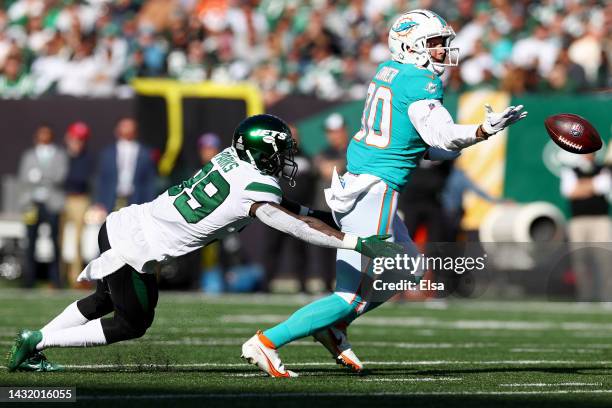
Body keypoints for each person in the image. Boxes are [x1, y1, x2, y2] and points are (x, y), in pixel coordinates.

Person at [243, 9, 527, 377]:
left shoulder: (387, 71)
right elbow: (440, 136)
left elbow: (419, 143)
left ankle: (335, 326)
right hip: (375, 191)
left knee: (409, 267)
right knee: (349, 294)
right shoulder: (421, 81)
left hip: (364, 183)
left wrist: (466, 140)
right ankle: (266, 342)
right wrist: (482, 131)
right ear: (411, 46)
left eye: (443, 42)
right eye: (435, 43)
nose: (442, 50)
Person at [6, 114, 401, 373]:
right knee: (132, 323)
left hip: (122, 223)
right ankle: (38, 340)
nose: (284, 160)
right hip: (137, 247)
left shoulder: (231, 158)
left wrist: (325, 216)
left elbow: (286, 208)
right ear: (262, 154)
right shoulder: (258, 186)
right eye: (279, 153)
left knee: (104, 301)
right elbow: (292, 225)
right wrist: (353, 242)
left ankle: (35, 344)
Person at [18, 126, 69, 288]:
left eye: (47, 133)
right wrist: (37, 179)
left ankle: (56, 280)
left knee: (55, 241)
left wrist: (40, 177)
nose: (44, 136)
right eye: (41, 133)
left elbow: (60, 175)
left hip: (52, 203)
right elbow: (23, 177)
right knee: (30, 241)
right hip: (32, 203)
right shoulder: (29, 155)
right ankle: (29, 280)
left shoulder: (59, 154)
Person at [560, 152, 611, 301]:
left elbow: (604, 187)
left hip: (600, 220)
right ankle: (585, 297)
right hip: (578, 222)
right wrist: (593, 184)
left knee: (605, 259)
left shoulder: (604, 169)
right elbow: (570, 191)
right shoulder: (570, 170)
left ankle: (607, 297)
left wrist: (582, 186)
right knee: (580, 260)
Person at [94, 117, 157, 215]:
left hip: (136, 199)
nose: (127, 129)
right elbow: (101, 178)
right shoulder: (108, 153)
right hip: (112, 199)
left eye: (130, 126)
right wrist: (99, 202)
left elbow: (149, 180)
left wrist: (149, 202)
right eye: (124, 126)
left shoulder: (145, 153)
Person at [62, 122, 95, 285]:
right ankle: (59, 276)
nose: (77, 142)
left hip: (80, 199)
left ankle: (75, 276)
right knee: (59, 238)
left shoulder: (87, 158)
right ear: (68, 138)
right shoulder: (61, 156)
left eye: (81, 139)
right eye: (75, 138)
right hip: (61, 198)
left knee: (77, 239)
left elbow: (82, 179)